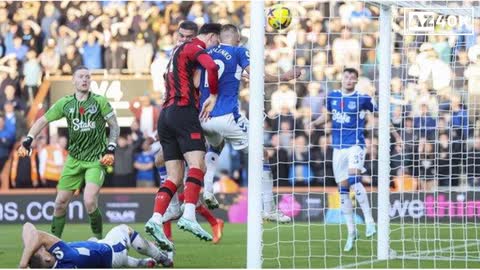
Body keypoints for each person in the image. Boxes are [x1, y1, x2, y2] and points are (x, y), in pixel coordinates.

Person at [198, 24, 300, 222]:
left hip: (204, 117)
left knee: (215, 145)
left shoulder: (208, 52)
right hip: (227, 116)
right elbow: (257, 76)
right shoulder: (239, 51)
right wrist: (284, 77)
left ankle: (208, 189)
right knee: (261, 155)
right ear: (237, 40)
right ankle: (269, 208)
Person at [17, 66, 120, 240]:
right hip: (74, 159)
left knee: (89, 201)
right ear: (73, 80)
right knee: (59, 204)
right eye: (81, 76)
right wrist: (28, 140)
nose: (85, 79)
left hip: (96, 159)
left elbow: (115, 126)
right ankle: (54, 244)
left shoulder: (100, 101)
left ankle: (100, 240)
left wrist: (111, 147)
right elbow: (42, 120)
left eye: (88, 77)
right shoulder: (65, 103)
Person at [144, 23, 221, 251]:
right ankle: (189, 214)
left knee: (174, 176)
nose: (213, 46)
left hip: (166, 115)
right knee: (198, 164)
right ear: (211, 37)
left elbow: (189, 80)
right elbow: (212, 66)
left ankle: (156, 219)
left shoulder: (173, 55)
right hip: (183, 111)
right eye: (215, 41)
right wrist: (214, 94)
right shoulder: (194, 46)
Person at [312, 68, 376, 252]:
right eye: (346, 76)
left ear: (356, 81)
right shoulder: (332, 96)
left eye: (352, 78)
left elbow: (378, 110)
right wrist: (314, 123)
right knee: (342, 190)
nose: (348, 80)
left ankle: (370, 222)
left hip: (355, 145)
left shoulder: (362, 98)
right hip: (337, 149)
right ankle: (351, 231)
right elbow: (327, 116)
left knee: (355, 180)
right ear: (342, 78)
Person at [19, 222, 172, 268]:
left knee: (93, 241)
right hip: (112, 251)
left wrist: (30, 254)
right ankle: (161, 257)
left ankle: (143, 263)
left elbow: (28, 229)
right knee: (125, 229)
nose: (41, 247)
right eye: (41, 250)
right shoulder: (64, 255)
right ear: (46, 260)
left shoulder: (54, 261)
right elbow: (34, 232)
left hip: (102, 256)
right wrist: (22, 264)